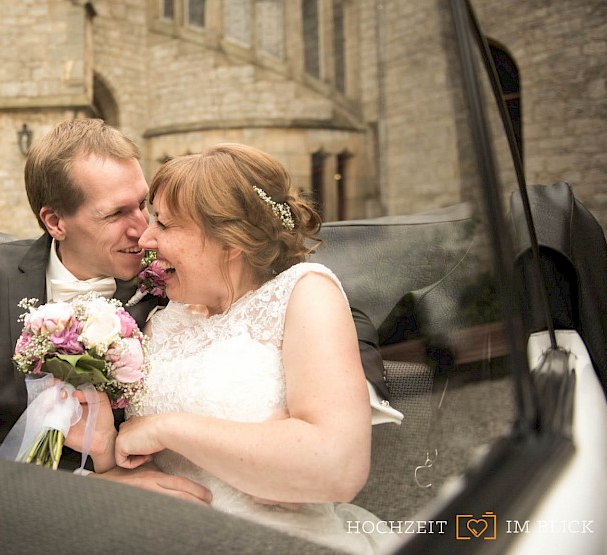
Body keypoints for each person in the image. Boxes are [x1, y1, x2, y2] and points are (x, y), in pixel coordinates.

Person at [69, 143, 391, 554]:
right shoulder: (158, 321)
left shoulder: (304, 294)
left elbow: (337, 468)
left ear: (230, 240)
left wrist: (169, 428)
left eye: (165, 225)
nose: (146, 238)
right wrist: (105, 453)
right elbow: (146, 470)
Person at [0, 118, 212, 504]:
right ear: (55, 222)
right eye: (116, 214)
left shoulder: (171, 285)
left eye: (142, 205)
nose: (144, 230)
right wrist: (81, 484)